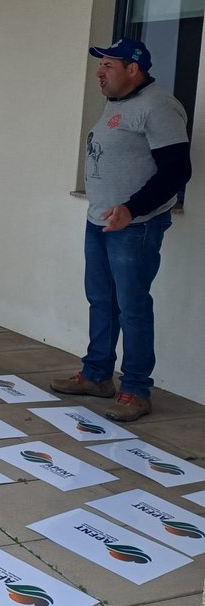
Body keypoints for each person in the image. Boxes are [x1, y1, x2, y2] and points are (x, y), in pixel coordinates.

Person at [50, 38, 191, 422]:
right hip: (100, 221)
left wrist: (131, 209)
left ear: (133, 69)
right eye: (101, 65)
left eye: (108, 65)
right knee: (101, 299)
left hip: (135, 226)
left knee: (132, 308)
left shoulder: (158, 107)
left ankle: (136, 390)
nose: (99, 71)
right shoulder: (116, 102)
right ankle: (96, 375)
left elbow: (177, 171)